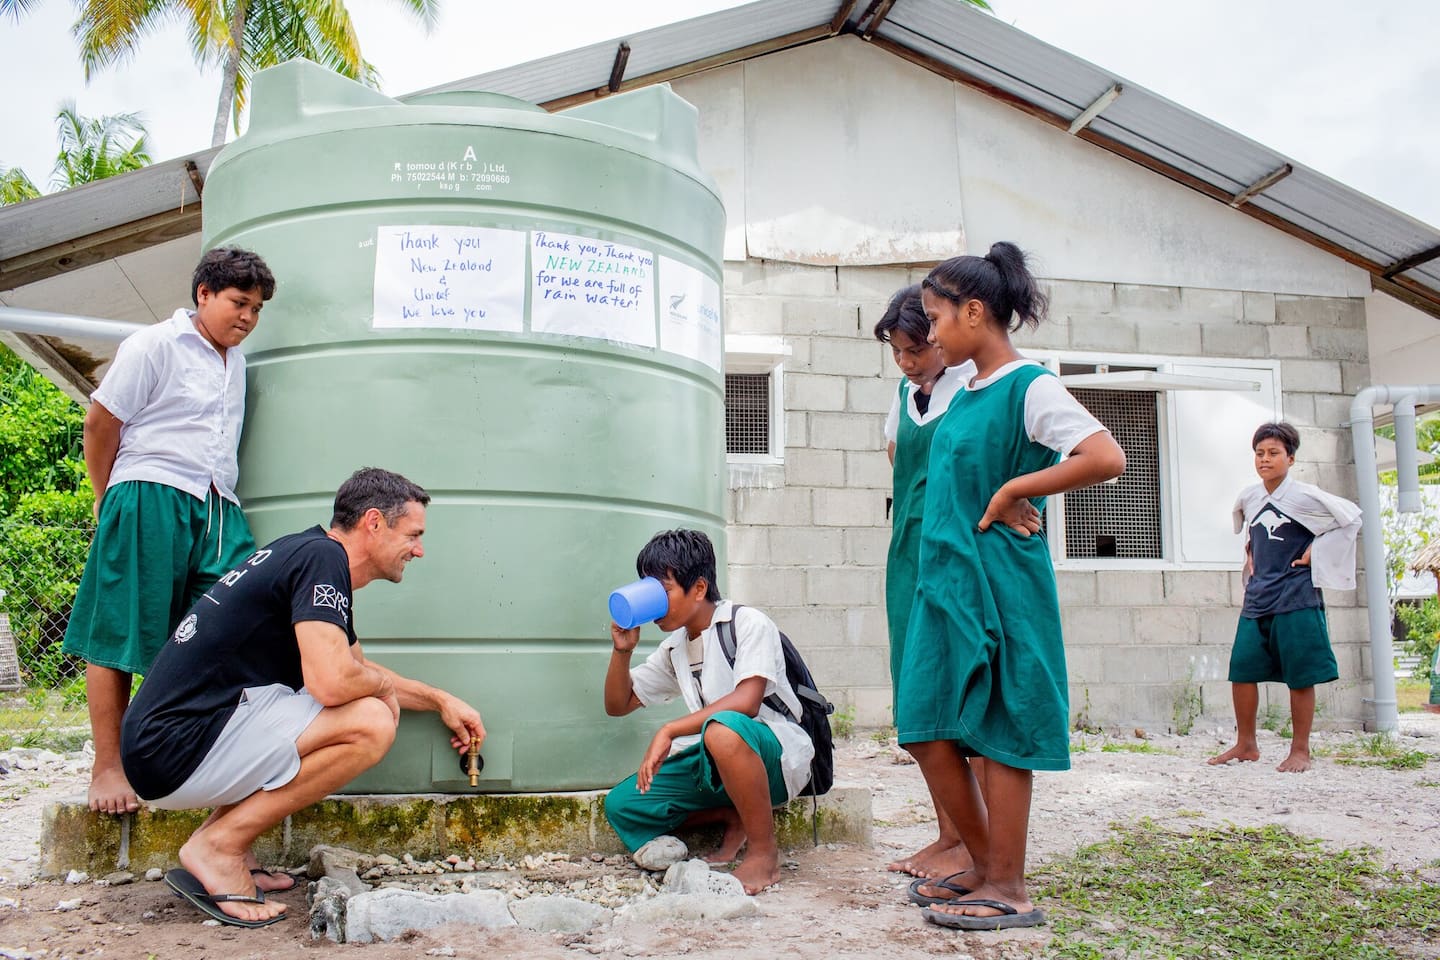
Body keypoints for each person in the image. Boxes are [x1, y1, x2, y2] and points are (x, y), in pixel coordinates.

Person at [120, 467, 485, 927]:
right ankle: (219, 846)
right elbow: (334, 683)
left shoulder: (307, 554)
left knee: (364, 703)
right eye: (413, 534)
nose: (419, 549)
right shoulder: (322, 560)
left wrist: (439, 700)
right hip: (173, 748)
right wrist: (384, 691)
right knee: (371, 722)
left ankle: (227, 843)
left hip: (168, 743)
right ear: (373, 522)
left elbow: (357, 670)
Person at [898, 242, 1126, 931]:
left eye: (937, 318)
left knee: (997, 727)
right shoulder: (962, 391)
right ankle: (978, 859)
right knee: (926, 726)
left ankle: (1009, 884)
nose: (930, 333)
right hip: (945, 583)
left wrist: (1016, 488)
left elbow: (1105, 455)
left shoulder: (1030, 385)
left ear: (975, 312)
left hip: (1001, 578)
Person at [63, 247, 276, 816]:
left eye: (256, 309)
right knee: (121, 625)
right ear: (203, 293)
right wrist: (109, 499)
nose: (248, 318)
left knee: (232, 624)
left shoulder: (238, 361)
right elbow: (101, 421)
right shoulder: (153, 345)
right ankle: (108, 765)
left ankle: (193, 756)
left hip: (217, 505)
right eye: (239, 303)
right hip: (149, 490)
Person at [602, 529, 813, 895]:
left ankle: (764, 854)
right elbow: (618, 705)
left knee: (723, 729)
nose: (653, 600)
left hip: (774, 756)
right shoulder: (676, 648)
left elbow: (747, 701)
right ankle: (733, 813)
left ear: (698, 589)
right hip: (718, 757)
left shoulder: (747, 623)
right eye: (647, 588)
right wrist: (622, 651)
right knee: (623, 804)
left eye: (662, 590)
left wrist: (669, 730)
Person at [875, 285, 982, 887]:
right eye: (898, 352)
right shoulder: (903, 395)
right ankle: (949, 833)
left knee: (962, 692)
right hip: (907, 555)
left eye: (917, 348)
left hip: (958, 553)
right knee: (918, 698)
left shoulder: (973, 389)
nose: (909, 361)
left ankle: (978, 841)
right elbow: (898, 453)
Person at [1208, 422, 1360, 773]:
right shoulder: (1250, 495)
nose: (1265, 459)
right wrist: (1250, 554)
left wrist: (1316, 551)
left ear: (1290, 458)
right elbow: (1252, 531)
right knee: (1242, 669)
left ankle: (1300, 750)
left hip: (1296, 596)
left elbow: (1351, 519)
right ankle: (1246, 744)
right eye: (1259, 453)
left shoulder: (1306, 496)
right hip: (1258, 596)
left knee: (1300, 674)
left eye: (1273, 453)